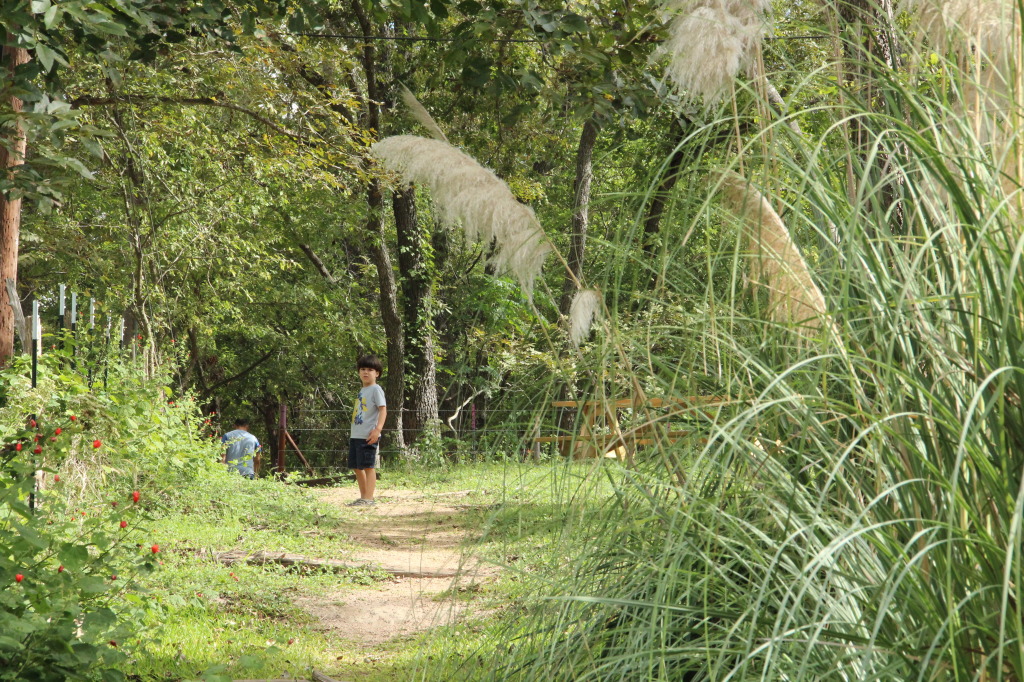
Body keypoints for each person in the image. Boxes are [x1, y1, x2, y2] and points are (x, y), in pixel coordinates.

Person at [348, 354, 387, 506]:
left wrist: (377, 430)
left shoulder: (376, 389)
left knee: (369, 467)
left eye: (370, 369)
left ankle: (369, 499)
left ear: (377, 373)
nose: (366, 372)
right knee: (357, 467)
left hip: (369, 435)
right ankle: (363, 497)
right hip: (356, 434)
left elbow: (383, 410)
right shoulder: (362, 390)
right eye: (363, 369)